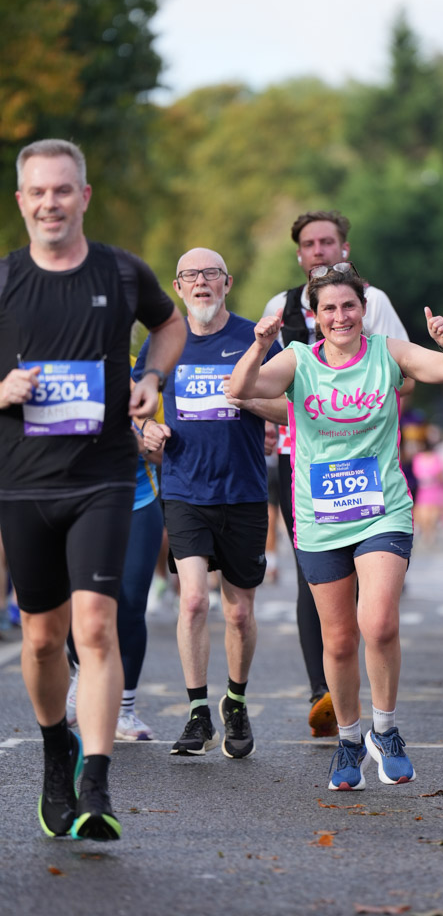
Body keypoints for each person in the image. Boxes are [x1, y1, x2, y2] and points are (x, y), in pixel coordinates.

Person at [0, 138, 186, 841]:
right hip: (22, 485)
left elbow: (167, 326)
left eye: (63, 190)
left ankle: (96, 784)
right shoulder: (5, 282)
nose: (51, 202)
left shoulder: (119, 270)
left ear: (84, 195)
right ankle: (57, 751)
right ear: (22, 202)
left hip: (105, 476)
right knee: (43, 641)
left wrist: (149, 377)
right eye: (38, 192)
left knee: (95, 628)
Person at [231, 263, 443, 791]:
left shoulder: (388, 353)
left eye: (349, 306)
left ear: (363, 310)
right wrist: (260, 344)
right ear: (314, 318)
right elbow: (240, 387)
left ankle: (385, 732)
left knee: (380, 621)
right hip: (320, 516)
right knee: (338, 641)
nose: (340, 316)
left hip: (382, 507)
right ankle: (348, 740)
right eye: (329, 309)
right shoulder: (296, 361)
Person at [262, 210, 411, 739]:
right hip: (303, 459)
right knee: (317, 581)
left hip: (367, 452)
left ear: (344, 248)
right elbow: (263, 387)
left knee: (373, 601)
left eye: (328, 242)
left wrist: (352, 394)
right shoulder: (279, 309)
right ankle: (321, 689)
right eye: (310, 243)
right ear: (300, 254)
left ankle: (375, 705)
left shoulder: (376, 305)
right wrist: (289, 412)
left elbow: (406, 375)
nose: (320, 250)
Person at [135, 247, 283, 760]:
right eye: (190, 276)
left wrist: (250, 401)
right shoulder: (163, 345)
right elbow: (133, 412)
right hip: (184, 488)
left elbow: (289, 405)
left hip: (242, 490)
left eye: (211, 274)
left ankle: (234, 702)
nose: (201, 282)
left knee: (240, 613)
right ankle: (198, 711)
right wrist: (145, 429)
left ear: (227, 282)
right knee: (194, 600)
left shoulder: (254, 337)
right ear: (177, 288)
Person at [67, 373, 169, 741]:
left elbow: (158, 451)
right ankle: (81, 669)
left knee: (128, 607)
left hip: (136, 501)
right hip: (76, 500)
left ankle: (124, 710)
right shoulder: (49, 361)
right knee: (73, 603)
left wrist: (142, 438)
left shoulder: (130, 371)